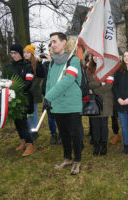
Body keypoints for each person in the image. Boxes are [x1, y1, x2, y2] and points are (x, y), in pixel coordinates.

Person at [44, 32, 83, 175]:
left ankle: (77, 160)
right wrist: (47, 100)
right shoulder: (53, 61)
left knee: (75, 134)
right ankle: (67, 158)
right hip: (57, 105)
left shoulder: (73, 60)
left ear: (64, 42)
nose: (52, 45)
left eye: (55, 41)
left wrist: (49, 96)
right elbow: (49, 82)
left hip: (71, 104)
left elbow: (68, 80)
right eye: (51, 42)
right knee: (64, 134)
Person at [1, 44, 35, 157]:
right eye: (11, 53)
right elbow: (3, 81)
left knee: (23, 121)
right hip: (10, 98)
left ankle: (30, 144)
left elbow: (29, 81)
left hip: (22, 98)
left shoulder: (27, 66)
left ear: (20, 53)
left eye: (15, 53)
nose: (13, 55)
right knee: (17, 121)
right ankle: (23, 141)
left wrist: (16, 90)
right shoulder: (8, 67)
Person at [87, 56, 114, 156]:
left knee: (103, 125)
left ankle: (104, 145)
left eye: (98, 55)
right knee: (95, 125)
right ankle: (96, 144)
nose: (95, 58)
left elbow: (108, 85)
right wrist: (99, 83)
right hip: (94, 101)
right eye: (94, 55)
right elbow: (87, 84)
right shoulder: (89, 69)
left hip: (105, 100)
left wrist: (94, 89)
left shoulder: (108, 69)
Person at [41, 44, 60, 145]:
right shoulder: (46, 64)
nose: (50, 52)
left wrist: (51, 62)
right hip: (48, 93)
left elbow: (56, 76)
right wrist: (40, 62)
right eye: (49, 50)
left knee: (60, 115)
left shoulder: (60, 62)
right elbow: (44, 76)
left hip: (58, 93)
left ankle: (61, 134)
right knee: (50, 116)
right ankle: (53, 134)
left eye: (52, 49)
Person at [23, 45, 44, 139]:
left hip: (33, 93)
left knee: (33, 112)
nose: (25, 54)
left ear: (32, 54)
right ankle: (29, 130)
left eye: (28, 52)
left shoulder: (36, 63)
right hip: (25, 92)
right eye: (24, 52)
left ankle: (34, 130)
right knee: (27, 113)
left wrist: (28, 89)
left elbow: (39, 79)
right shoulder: (23, 63)